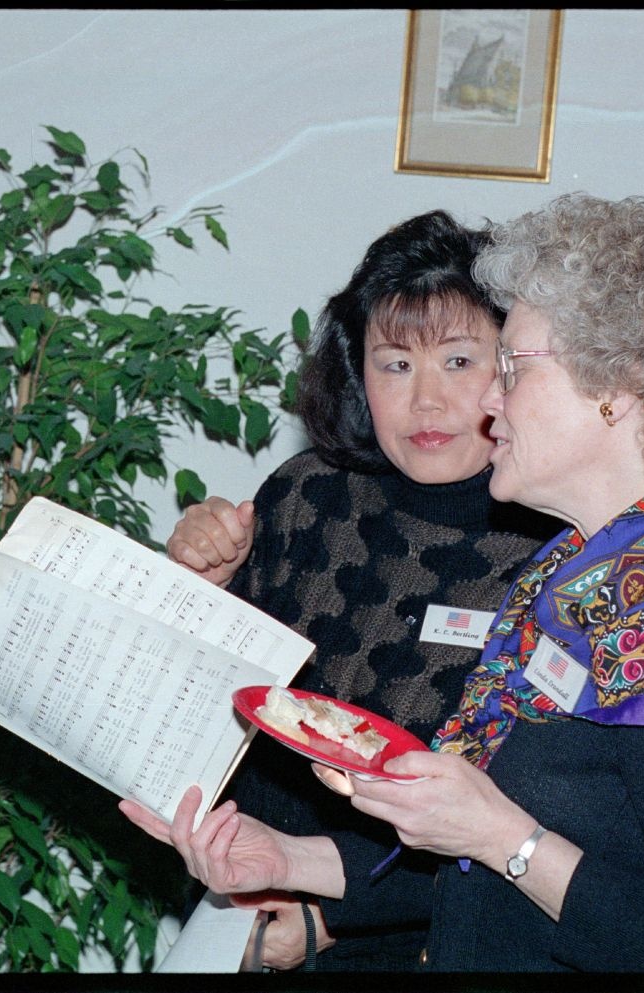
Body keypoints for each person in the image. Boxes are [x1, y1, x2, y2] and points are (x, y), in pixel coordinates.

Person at [126, 193, 644, 972]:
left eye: (512, 368)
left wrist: (509, 839)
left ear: (617, 388)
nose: (487, 403)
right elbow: (471, 853)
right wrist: (289, 861)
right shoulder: (578, 572)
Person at [164, 209, 555, 970]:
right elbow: (198, 718)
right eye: (396, 365)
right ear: (357, 372)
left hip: (422, 940)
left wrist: (323, 923)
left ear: (513, 372)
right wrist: (196, 591)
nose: (428, 402)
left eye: (458, 361)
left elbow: (535, 831)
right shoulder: (307, 496)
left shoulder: (555, 550)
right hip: (232, 905)